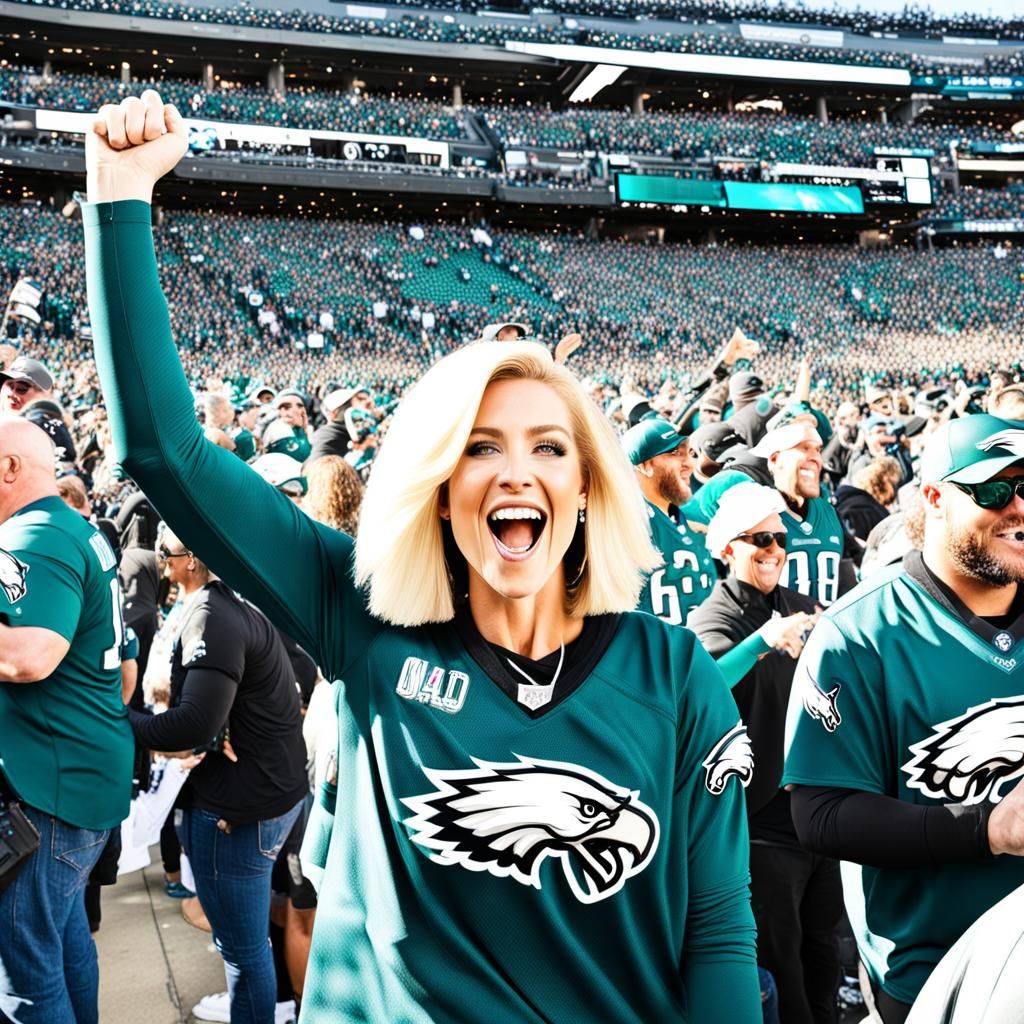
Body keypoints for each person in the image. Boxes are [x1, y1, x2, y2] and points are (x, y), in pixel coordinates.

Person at [83, 90, 761, 1024]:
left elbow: (719, 932)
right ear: (439, 489)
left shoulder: (677, 675)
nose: (515, 472)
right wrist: (118, 201)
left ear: (589, 488)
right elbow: (165, 450)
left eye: (549, 448)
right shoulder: (365, 620)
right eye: (480, 447)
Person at [783, 414, 1024, 1023]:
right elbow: (822, 813)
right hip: (938, 980)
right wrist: (987, 828)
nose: (1018, 507)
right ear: (935, 497)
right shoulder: (858, 633)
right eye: (996, 489)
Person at [128, 526, 308, 1024]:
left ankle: (259, 1009)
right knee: (250, 945)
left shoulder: (212, 614)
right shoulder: (222, 606)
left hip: (241, 810)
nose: (161, 562)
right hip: (261, 796)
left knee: (242, 953)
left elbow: (193, 721)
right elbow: (214, 713)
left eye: (167, 553)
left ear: (191, 561)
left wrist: (121, 719)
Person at [0, 416, 134, 1024]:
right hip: (81, 770)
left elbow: (30, 656)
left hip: (49, 788)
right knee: (65, 939)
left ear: (9, 468)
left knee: (25, 972)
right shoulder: (74, 528)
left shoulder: (34, 536)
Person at [690, 483, 839, 1024]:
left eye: (779, 538)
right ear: (727, 548)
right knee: (784, 966)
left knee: (825, 951)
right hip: (760, 823)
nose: (775, 549)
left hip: (816, 808)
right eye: (760, 539)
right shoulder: (716, 615)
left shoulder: (797, 605)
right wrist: (761, 642)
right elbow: (703, 682)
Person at [622, 417, 714, 625]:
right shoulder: (627, 522)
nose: (689, 464)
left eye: (688, 454)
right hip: (654, 653)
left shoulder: (691, 518)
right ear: (645, 465)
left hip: (702, 650)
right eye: (675, 453)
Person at [750, 423, 844, 606]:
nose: (816, 458)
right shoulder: (757, 515)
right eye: (804, 448)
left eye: (818, 450)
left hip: (826, 631)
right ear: (775, 459)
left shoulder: (829, 512)